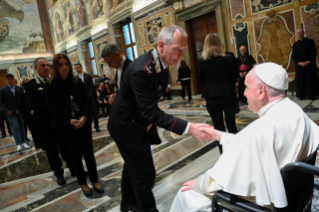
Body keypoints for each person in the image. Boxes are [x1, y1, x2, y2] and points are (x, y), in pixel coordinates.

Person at [170, 62, 319, 212]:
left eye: (247, 87)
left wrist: (199, 184)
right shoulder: (295, 111)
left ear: (261, 91)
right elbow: (250, 144)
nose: (244, 93)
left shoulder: (258, 131)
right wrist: (219, 135)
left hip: (265, 205)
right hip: (295, 196)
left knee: (186, 195)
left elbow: (220, 179)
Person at [108, 25, 211, 212]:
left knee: (134, 167)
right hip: (125, 125)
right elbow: (149, 110)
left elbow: (149, 100)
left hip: (137, 120)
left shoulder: (161, 63)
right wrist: (188, 127)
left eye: (183, 51)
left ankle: (128, 203)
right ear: (161, 45)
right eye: (176, 50)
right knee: (143, 174)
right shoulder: (142, 69)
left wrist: (147, 119)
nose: (180, 56)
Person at [46, 54, 104, 197]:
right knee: (75, 154)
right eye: (61, 65)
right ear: (56, 67)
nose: (64, 67)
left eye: (66, 64)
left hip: (83, 123)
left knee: (89, 153)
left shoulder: (77, 81)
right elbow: (53, 109)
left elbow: (87, 100)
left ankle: (95, 179)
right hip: (67, 126)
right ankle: (83, 183)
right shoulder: (51, 85)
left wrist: (84, 116)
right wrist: (70, 120)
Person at [24, 57, 74, 185]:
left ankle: (74, 169)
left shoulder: (55, 81)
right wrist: (55, 110)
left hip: (59, 122)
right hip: (44, 123)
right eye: (42, 65)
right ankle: (59, 174)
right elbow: (36, 104)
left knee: (66, 147)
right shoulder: (30, 85)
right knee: (52, 151)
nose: (46, 67)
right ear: (35, 68)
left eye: (48, 65)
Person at [199, 33, 238, 154]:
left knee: (218, 128)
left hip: (212, 97)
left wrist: (211, 88)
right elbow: (234, 77)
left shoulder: (202, 60)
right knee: (231, 125)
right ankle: (236, 153)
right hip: (228, 94)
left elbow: (202, 80)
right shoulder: (229, 57)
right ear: (219, 43)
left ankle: (224, 155)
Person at [0, 74, 30, 152]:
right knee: (15, 127)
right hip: (10, 111)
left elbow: (23, 100)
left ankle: (23, 142)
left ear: (14, 79)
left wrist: (24, 109)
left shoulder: (19, 88)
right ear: (6, 80)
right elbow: (1, 102)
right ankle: (18, 144)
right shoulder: (3, 90)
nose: (10, 80)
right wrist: (6, 110)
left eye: (11, 79)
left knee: (22, 126)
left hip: (19, 111)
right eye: (8, 79)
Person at [292, 28, 318, 100]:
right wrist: (299, 63)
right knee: (301, 80)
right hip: (300, 66)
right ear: (297, 35)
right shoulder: (295, 44)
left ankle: (311, 95)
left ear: (303, 33)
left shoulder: (310, 41)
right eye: (298, 33)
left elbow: (313, 52)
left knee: (310, 80)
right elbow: (294, 56)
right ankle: (301, 95)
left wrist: (308, 61)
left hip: (310, 65)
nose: (299, 34)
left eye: (301, 32)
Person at [74, 63, 101, 132]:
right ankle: (86, 127)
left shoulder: (88, 76)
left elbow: (92, 87)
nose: (76, 69)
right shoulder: (75, 78)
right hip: (82, 100)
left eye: (77, 68)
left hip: (90, 98)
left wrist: (88, 96)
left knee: (94, 113)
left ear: (81, 67)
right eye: (75, 68)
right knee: (84, 113)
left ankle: (97, 126)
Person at [20, 78, 41, 149]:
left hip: (37, 113)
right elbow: (21, 107)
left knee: (40, 129)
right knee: (33, 130)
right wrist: (29, 112)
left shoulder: (34, 92)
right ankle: (37, 144)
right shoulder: (22, 95)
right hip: (28, 115)